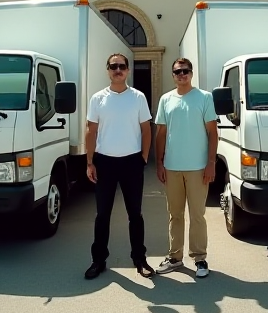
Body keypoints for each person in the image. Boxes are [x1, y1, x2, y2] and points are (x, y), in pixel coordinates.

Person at [84, 53, 155, 280]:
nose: (118, 70)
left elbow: (146, 129)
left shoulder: (138, 97)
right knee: (102, 215)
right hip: (104, 162)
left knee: (135, 214)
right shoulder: (98, 98)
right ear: (107, 70)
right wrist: (90, 162)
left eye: (122, 66)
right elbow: (91, 131)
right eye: (113, 66)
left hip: (132, 162)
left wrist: (143, 158)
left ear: (128, 70)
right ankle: (98, 261)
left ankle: (140, 259)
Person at [153, 58, 218, 278]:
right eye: (178, 72)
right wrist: (159, 162)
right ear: (172, 75)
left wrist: (211, 163)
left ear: (192, 73)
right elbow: (161, 133)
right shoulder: (165, 99)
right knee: (175, 214)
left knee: (197, 215)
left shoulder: (204, 98)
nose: (182, 75)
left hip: (198, 168)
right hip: (172, 167)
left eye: (185, 71)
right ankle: (175, 257)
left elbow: (212, 133)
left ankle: (199, 258)